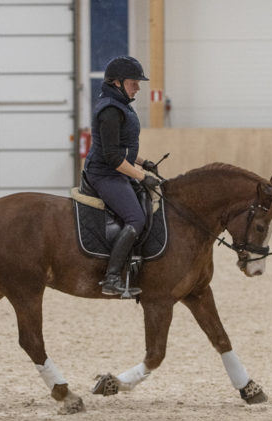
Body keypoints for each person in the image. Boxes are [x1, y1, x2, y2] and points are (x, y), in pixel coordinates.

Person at [84, 55, 162, 296]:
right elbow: (113, 157)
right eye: (133, 83)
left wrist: (143, 162)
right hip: (106, 174)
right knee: (135, 218)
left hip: (117, 170)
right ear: (117, 83)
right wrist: (140, 176)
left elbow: (123, 147)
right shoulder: (110, 111)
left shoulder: (121, 105)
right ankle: (112, 277)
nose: (138, 87)